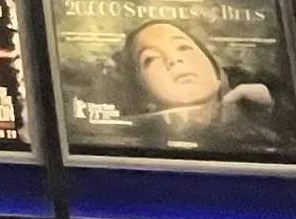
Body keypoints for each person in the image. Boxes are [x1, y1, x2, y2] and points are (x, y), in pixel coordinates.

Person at [118, 18, 287, 157]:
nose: (174, 60)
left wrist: (273, 113)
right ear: (142, 88)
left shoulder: (268, 109)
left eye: (183, 47)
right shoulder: (132, 148)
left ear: (216, 71)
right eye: (151, 59)